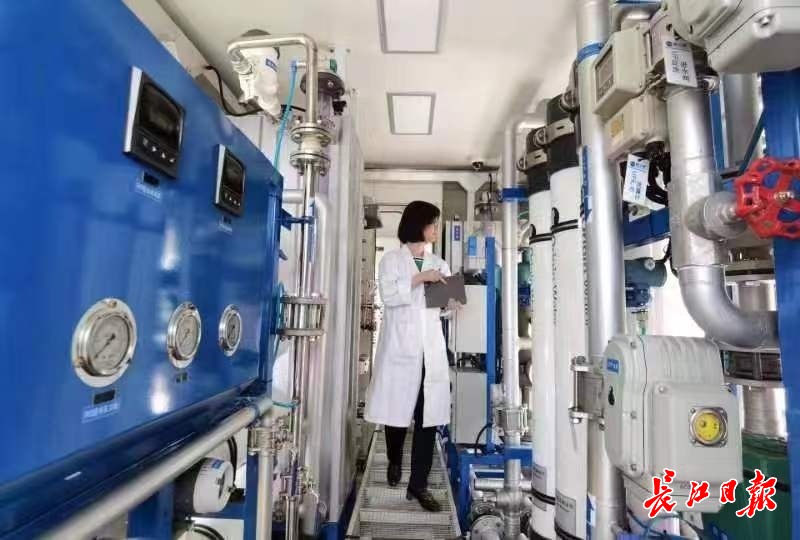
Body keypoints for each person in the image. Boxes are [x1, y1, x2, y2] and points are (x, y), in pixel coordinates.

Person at [364, 200, 453, 513]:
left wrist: (451, 301)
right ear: (419, 225)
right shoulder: (391, 261)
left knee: (428, 419)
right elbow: (389, 296)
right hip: (400, 350)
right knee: (396, 415)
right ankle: (394, 458)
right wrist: (419, 278)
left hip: (430, 352)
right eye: (433, 223)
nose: (436, 229)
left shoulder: (439, 263)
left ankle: (418, 484)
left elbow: (444, 306)